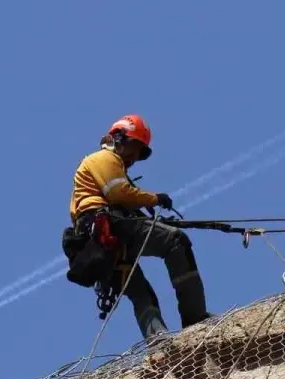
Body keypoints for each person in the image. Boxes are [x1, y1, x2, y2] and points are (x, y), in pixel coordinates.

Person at [63, 114, 210, 341]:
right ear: (118, 138)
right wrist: (154, 199)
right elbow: (118, 192)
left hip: (103, 237)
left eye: (140, 154)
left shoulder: (108, 168)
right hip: (108, 228)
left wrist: (146, 214)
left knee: (141, 292)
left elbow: (120, 201)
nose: (134, 158)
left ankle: (158, 340)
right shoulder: (103, 159)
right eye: (134, 148)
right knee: (175, 241)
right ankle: (195, 318)